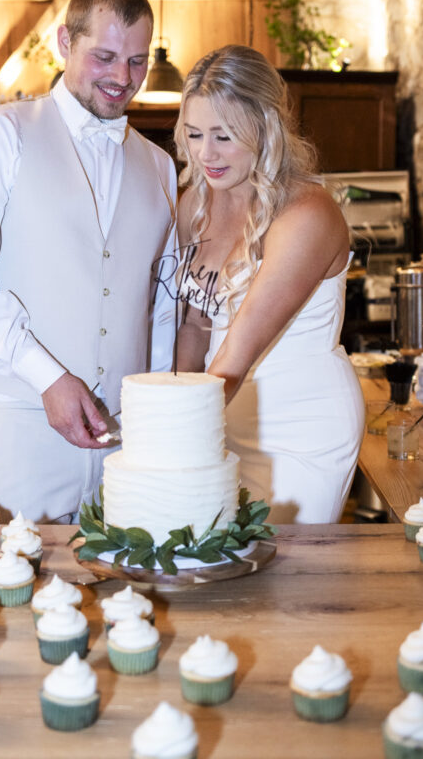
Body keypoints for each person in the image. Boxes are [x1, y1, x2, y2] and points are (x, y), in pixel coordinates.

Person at [0, 0, 177, 523]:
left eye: (137, 62)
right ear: (65, 42)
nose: (122, 78)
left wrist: (154, 418)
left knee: (125, 603)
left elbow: (160, 305)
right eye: (105, 56)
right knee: (6, 596)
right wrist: (47, 376)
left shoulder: (160, 167)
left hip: (122, 446)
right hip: (15, 433)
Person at [174, 44, 364, 523]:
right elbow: (196, 326)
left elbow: (238, 352)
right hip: (221, 414)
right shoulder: (194, 206)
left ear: (264, 126)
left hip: (301, 428)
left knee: (287, 580)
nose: (205, 154)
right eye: (194, 134)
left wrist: (171, 435)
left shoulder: (308, 214)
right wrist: (182, 400)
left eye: (223, 136)